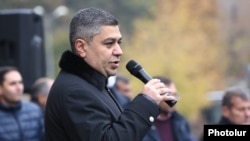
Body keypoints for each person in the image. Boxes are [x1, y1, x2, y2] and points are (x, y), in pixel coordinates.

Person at [45, 7, 176, 141]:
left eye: (119, 42)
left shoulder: (92, 85)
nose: (119, 51)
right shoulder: (75, 92)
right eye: (109, 43)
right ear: (81, 47)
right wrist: (146, 102)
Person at [143, 75, 197, 141]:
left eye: (175, 95)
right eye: (168, 95)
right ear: (155, 96)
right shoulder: (141, 124)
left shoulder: (180, 122)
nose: (173, 99)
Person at [0, 66, 44, 141]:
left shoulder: (34, 111)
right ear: (0, 89)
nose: (19, 87)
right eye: (12, 84)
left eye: (20, 82)